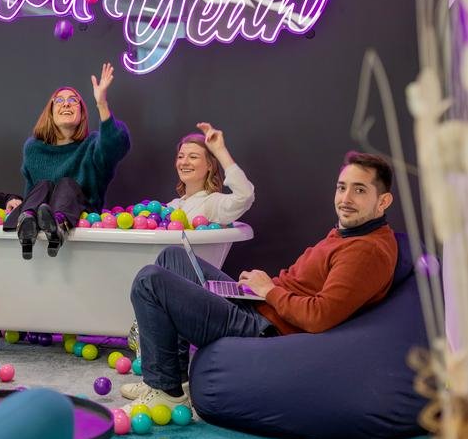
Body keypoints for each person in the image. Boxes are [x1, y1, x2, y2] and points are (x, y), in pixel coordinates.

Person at [122, 151, 397, 415]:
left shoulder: (366, 251)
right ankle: (174, 378)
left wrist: (270, 290)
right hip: (261, 306)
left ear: (383, 201)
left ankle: (165, 393)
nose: (345, 198)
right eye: (342, 188)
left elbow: (319, 316)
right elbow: (303, 286)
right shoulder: (350, 233)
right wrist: (259, 289)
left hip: (267, 330)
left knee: (149, 282)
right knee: (173, 257)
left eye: (359, 190)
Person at [3, 62, 131, 259]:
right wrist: (21, 205)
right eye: (59, 100)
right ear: (51, 112)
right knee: (44, 185)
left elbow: (116, 145)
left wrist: (101, 104)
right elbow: (32, 191)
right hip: (38, 218)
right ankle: (26, 224)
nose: (66, 103)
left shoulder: (92, 145)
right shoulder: (34, 148)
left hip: (82, 220)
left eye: (73, 100)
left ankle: (58, 224)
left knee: (66, 185)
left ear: (81, 114)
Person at [167, 122, 254, 225]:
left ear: (209, 165)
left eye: (193, 157)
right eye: (180, 156)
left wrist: (220, 150)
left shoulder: (212, 203)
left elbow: (245, 196)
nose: (184, 162)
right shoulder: (172, 206)